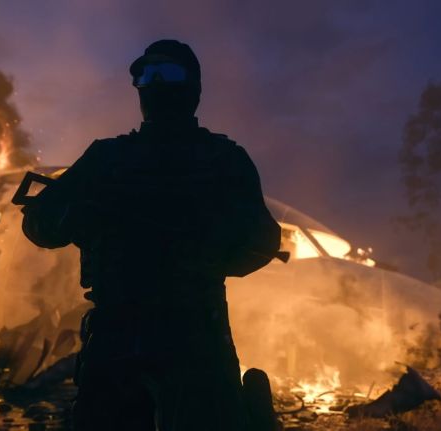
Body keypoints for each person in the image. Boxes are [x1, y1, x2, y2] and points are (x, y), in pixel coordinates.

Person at [21, 40, 281, 431]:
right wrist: (81, 216)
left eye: (168, 73)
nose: (156, 83)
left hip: (190, 327)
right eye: (146, 74)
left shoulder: (223, 161)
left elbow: (261, 242)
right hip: (128, 329)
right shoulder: (108, 159)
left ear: (191, 87)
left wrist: (200, 261)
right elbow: (42, 227)